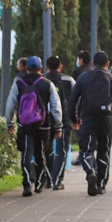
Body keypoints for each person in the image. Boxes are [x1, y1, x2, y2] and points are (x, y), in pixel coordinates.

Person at [68, 51, 112, 196]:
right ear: (108, 64)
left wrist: (75, 119)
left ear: (93, 63)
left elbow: (72, 100)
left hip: (87, 120)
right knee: (103, 152)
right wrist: (111, 112)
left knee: (86, 150)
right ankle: (101, 185)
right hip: (106, 121)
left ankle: (91, 172)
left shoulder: (84, 78)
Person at [4, 56, 63, 197]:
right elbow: (56, 106)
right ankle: (39, 182)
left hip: (24, 124)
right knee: (40, 153)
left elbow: (10, 104)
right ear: (41, 68)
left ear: (27, 69)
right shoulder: (47, 84)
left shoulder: (19, 83)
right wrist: (59, 126)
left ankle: (27, 184)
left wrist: (9, 122)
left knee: (26, 153)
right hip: (43, 124)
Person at [45, 55, 76, 190]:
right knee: (62, 150)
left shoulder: (42, 80)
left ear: (46, 67)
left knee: (46, 149)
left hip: (45, 120)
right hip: (65, 119)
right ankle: (57, 180)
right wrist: (76, 118)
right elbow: (76, 100)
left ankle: (47, 179)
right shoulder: (69, 80)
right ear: (61, 66)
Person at [71, 51, 93, 166]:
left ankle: (82, 155)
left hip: (81, 107)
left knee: (81, 134)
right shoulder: (92, 72)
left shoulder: (78, 72)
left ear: (81, 59)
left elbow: (74, 93)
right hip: (92, 107)